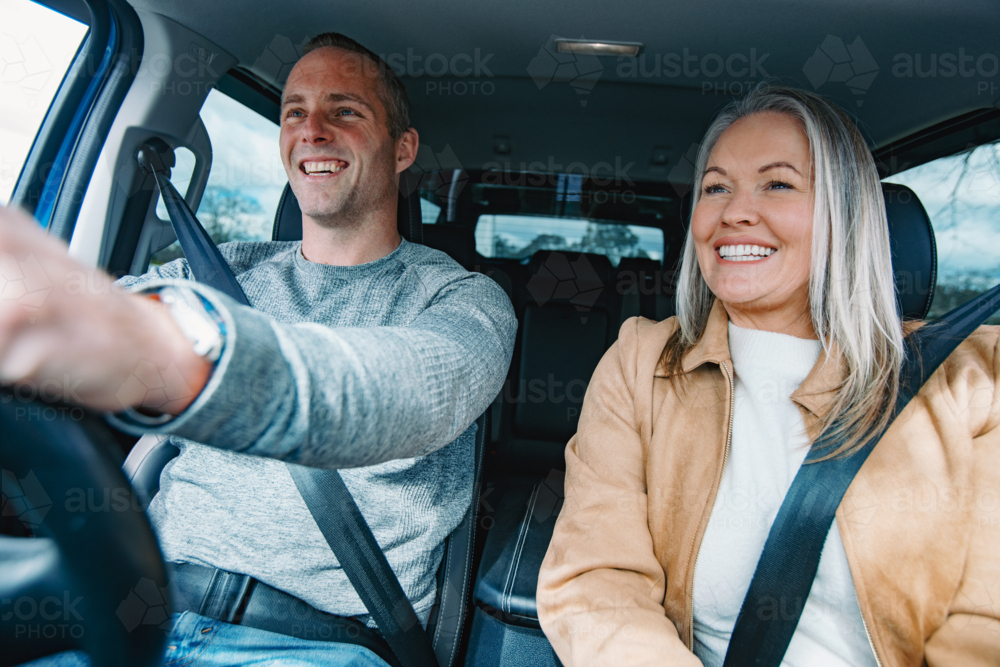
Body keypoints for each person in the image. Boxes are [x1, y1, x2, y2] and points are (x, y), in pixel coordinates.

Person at [2, 32, 516, 666]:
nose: (313, 131)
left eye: (345, 111)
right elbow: (91, 310)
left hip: (314, 647)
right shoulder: (217, 271)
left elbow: (409, 394)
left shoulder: (463, 300)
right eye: (294, 112)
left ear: (403, 148)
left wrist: (182, 352)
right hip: (135, 618)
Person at [536, 85, 1000, 666]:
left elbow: (986, 626)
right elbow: (598, 584)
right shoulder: (642, 364)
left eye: (777, 184)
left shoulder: (971, 378)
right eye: (715, 188)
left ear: (845, 213)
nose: (735, 212)